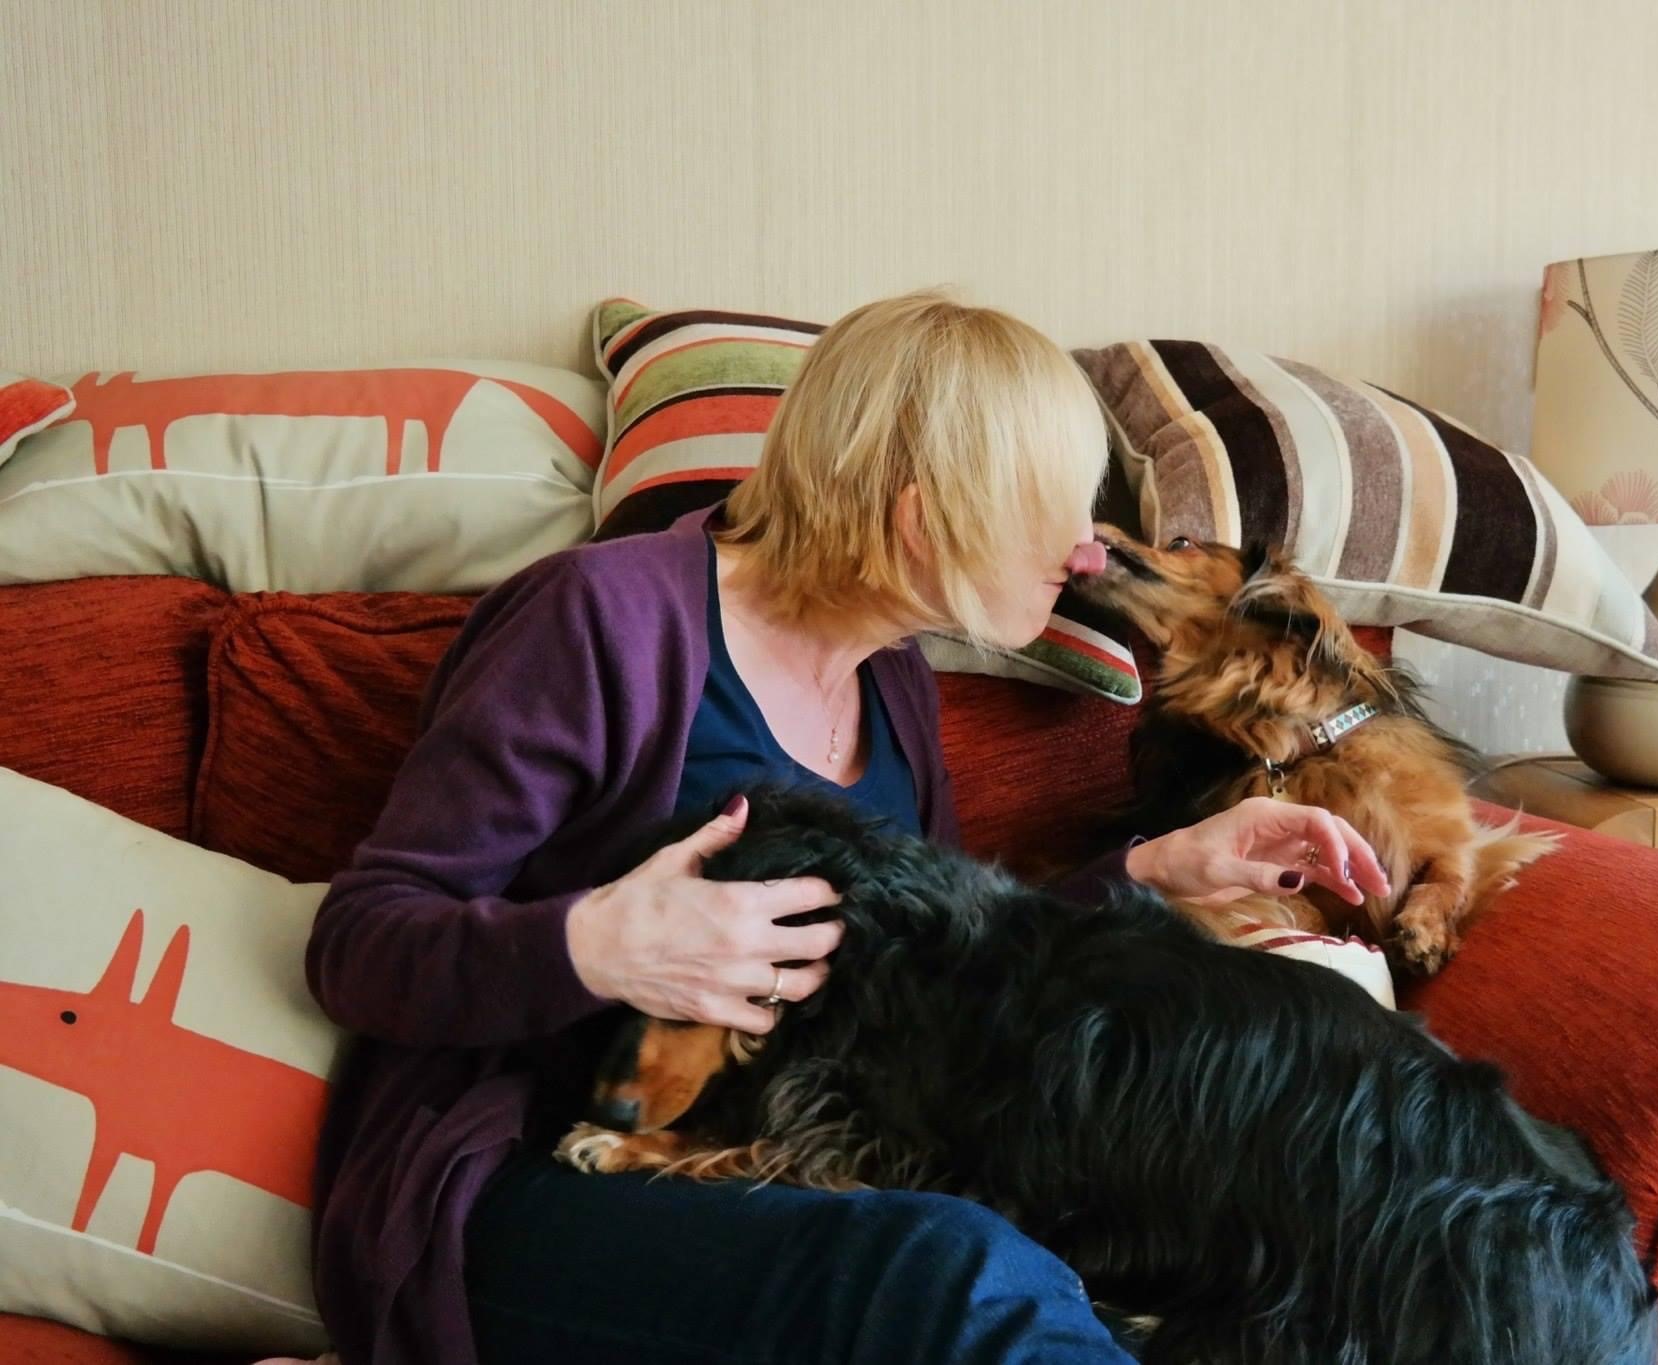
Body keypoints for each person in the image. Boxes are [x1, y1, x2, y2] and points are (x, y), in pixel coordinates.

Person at [303, 290, 1388, 1364]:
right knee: (952, 1273)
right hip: (535, 1182)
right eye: (1052, 508)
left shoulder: (894, 687)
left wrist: (1150, 871)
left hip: (776, 1171)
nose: (1086, 552)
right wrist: (598, 946)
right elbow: (361, 944)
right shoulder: (599, 620)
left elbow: (941, 979)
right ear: (923, 508)